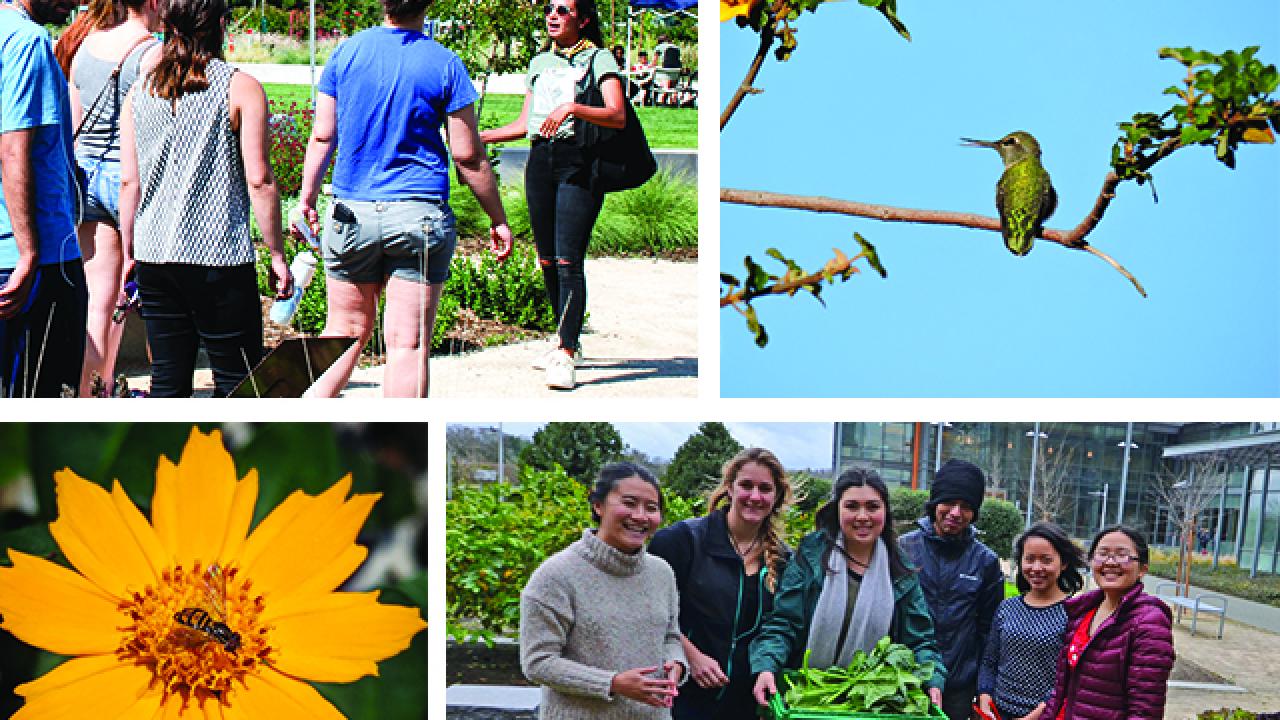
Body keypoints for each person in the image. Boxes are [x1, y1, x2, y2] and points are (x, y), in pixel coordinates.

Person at [296, 0, 511, 399]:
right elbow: (467, 154)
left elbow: (323, 135)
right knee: (407, 346)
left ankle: (306, 426)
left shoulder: (346, 53)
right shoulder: (445, 63)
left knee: (341, 336)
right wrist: (497, 217)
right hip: (418, 216)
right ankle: (404, 453)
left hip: (350, 213)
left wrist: (307, 196)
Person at [119, 0, 292, 397]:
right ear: (220, 23)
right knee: (237, 381)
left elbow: (130, 182)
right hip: (219, 254)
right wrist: (277, 255)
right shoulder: (239, 87)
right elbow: (260, 180)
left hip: (155, 252)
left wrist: (130, 251)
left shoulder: (139, 92)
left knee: (167, 380)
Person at [479, 0, 626, 390]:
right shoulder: (540, 63)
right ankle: (564, 339)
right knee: (546, 258)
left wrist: (574, 108)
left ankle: (565, 350)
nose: (553, 16)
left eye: (563, 9)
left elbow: (617, 114)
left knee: (567, 259)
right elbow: (526, 122)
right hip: (541, 160)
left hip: (578, 162)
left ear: (583, 18)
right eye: (549, 8)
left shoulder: (599, 59)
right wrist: (483, 137)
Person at [750, 467, 946, 709]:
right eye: (852, 506)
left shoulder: (900, 573)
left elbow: (920, 640)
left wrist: (933, 680)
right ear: (837, 510)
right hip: (804, 697)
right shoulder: (811, 558)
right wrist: (766, 667)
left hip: (867, 705)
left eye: (873, 507)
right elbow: (782, 623)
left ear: (885, 512)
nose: (862, 516)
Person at [520, 462, 687, 718]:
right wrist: (612, 682)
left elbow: (670, 637)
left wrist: (675, 663)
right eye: (629, 503)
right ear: (598, 506)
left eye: (651, 508)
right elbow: (538, 662)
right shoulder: (556, 576)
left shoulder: (661, 573)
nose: (640, 516)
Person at [648, 448, 794, 720]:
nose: (755, 496)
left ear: (776, 497)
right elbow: (651, 612)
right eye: (746, 486)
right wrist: (691, 655)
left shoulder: (786, 560)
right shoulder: (682, 541)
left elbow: (781, 627)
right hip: (682, 694)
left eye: (765, 489)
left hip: (746, 702)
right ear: (729, 488)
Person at [66, 0, 161, 396]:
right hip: (129, 177)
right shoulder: (153, 53)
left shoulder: (86, 46)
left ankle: (92, 392)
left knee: (98, 300)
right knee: (138, 297)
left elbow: (74, 123)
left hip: (87, 176)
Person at [0, 0, 86, 398]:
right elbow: (14, 147)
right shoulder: (26, 39)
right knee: (39, 395)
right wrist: (29, 253)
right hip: (36, 258)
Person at [900, 458, 1005, 720]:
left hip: (958, 686)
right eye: (950, 502)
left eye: (967, 506)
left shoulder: (986, 562)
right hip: (903, 680)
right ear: (935, 502)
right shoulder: (903, 549)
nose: (956, 513)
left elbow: (988, 631)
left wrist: (981, 685)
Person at [1041, 526, 1174, 720]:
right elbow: (1062, 688)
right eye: (1102, 554)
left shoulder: (1149, 622)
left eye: (1122, 555)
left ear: (1142, 569)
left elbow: (1144, 711)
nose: (1110, 563)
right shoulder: (1082, 611)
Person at [977, 523, 1086, 720]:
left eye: (1046, 560)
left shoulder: (1074, 613)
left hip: (1046, 715)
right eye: (1029, 559)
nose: (1036, 568)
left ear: (1063, 563)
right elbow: (989, 661)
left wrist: (1033, 716)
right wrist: (984, 697)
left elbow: (1070, 680)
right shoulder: (1007, 608)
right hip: (997, 712)